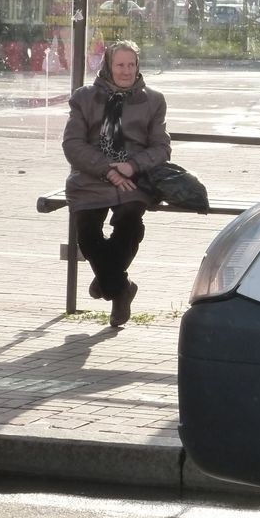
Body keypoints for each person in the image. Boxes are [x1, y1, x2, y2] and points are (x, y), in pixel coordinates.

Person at [62, 39, 170, 327]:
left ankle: (106, 282)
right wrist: (107, 170)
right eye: (120, 65)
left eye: (131, 65)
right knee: (87, 231)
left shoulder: (153, 100)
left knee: (130, 223)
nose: (126, 71)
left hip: (133, 180)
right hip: (92, 178)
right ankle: (120, 288)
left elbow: (161, 148)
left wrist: (131, 166)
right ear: (108, 66)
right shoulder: (84, 98)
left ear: (138, 66)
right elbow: (72, 144)